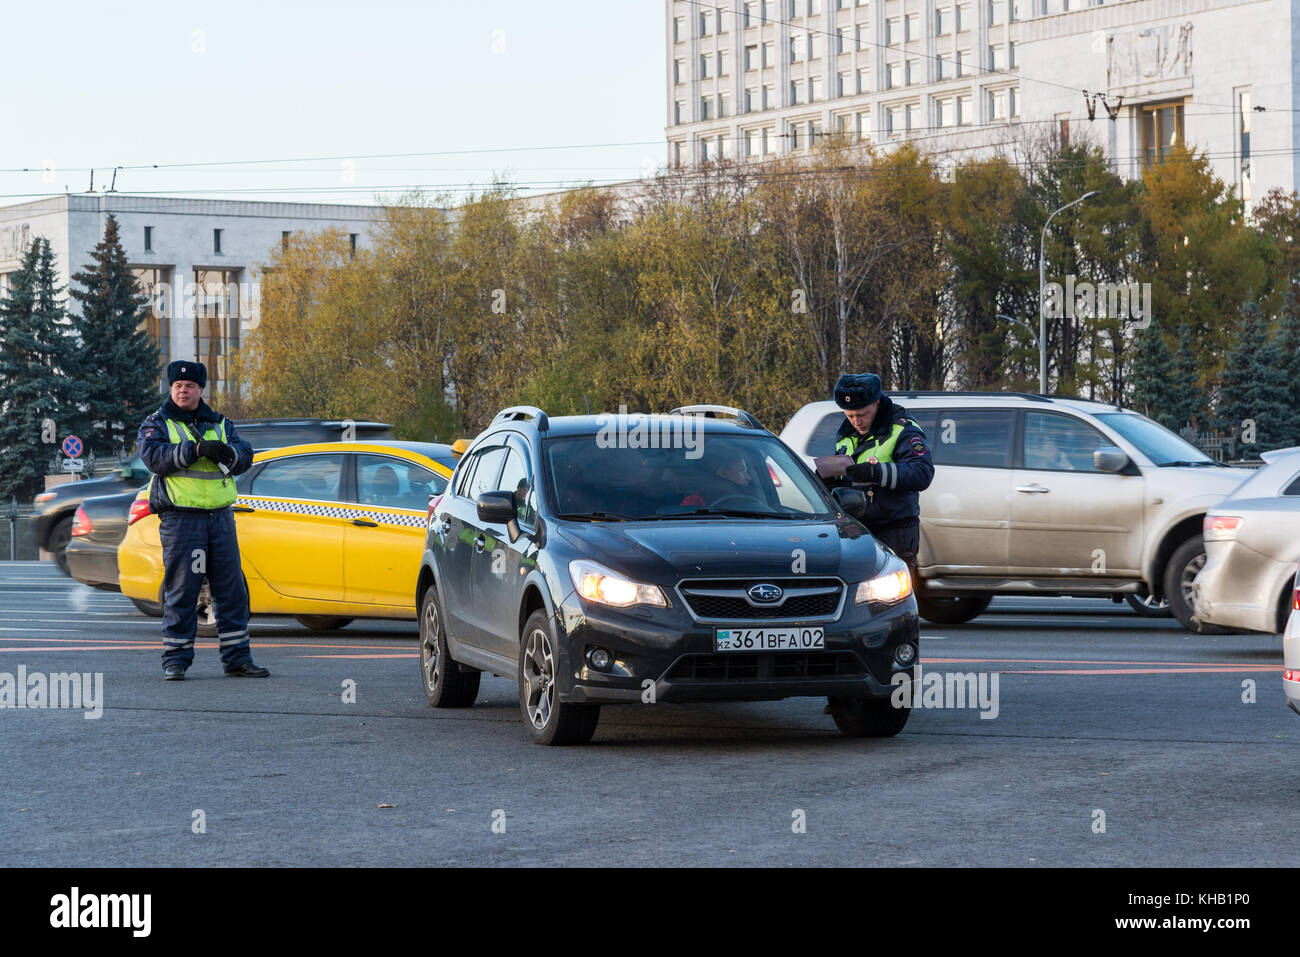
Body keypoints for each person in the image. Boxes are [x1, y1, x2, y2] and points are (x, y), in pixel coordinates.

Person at [136, 361, 267, 680]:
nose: (184, 391)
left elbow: (245, 457)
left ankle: (237, 658)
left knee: (232, 590)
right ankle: (176, 660)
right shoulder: (157, 423)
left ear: (200, 390)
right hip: (182, 520)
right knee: (183, 590)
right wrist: (194, 450)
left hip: (220, 519)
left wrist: (227, 454)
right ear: (171, 389)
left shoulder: (220, 423)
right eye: (178, 386)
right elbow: (153, 457)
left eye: (190, 386)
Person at [814, 373, 934, 583]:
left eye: (862, 414)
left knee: (895, 596)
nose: (856, 422)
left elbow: (922, 473)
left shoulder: (902, 430)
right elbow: (847, 472)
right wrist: (829, 479)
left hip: (895, 530)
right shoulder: (846, 433)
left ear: (877, 402)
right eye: (850, 416)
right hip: (859, 531)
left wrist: (877, 473)